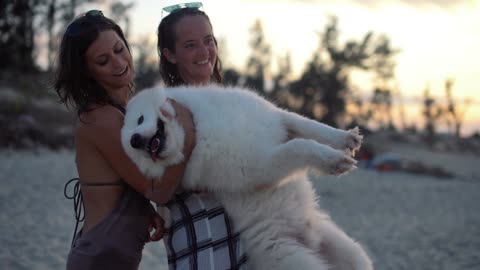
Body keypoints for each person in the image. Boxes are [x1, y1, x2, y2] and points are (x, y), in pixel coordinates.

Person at [55, 10, 196, 269]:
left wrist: (144, 209)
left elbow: (124, 179)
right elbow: (157, 189)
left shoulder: (125, 111)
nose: (119, 63)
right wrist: (187, 138)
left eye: (120, 49)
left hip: (110, 255)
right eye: (103, 61)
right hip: (100, 258)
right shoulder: (101, 119)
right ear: (87, 72)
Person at [156, 5, 248, 270]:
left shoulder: (233, 104)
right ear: (170, 54)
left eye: (208, 40)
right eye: (190, 45)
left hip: (244, 237)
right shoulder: (166, 108)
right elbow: (158, 183)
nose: (204, 51)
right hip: (200, 239)